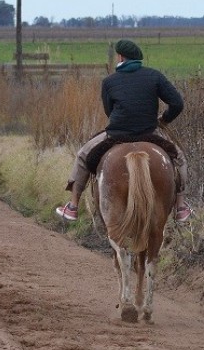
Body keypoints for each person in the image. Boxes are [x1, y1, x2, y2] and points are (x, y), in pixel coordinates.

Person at [55, 39, 192, 222]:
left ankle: (72, 207)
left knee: (82, 156)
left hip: (117, 134)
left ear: (120, 56)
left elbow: (109, 111)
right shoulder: (155, 76)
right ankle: (181, 206)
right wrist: (164, 120)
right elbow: (177, 103)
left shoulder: (109, 81)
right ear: (138, 59)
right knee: (179, 158)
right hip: (149, 133)